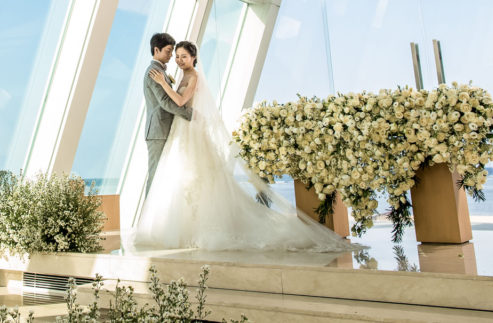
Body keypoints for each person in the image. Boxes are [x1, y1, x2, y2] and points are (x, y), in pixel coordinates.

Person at [135, 41, 351, 252]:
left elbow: (180, 102)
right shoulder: (181, 74)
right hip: (181, 128)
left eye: (183, 56)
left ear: (194, 58)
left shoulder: (194, 76)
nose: (179, 60)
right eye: (177, 55)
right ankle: (177, 225)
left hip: (189, 127)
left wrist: (165, 85)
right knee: (183, 175)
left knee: (197, 175)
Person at [142, 32, 193, 196]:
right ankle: (146, 220)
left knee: (163, 176)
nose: (171, 56)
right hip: (158, 131)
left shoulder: (160, 71)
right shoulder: (153, 72)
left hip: (163, 129)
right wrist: (189, 115)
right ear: (156, 50)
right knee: (155, 175)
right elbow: (165, 101)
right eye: (168, 51)